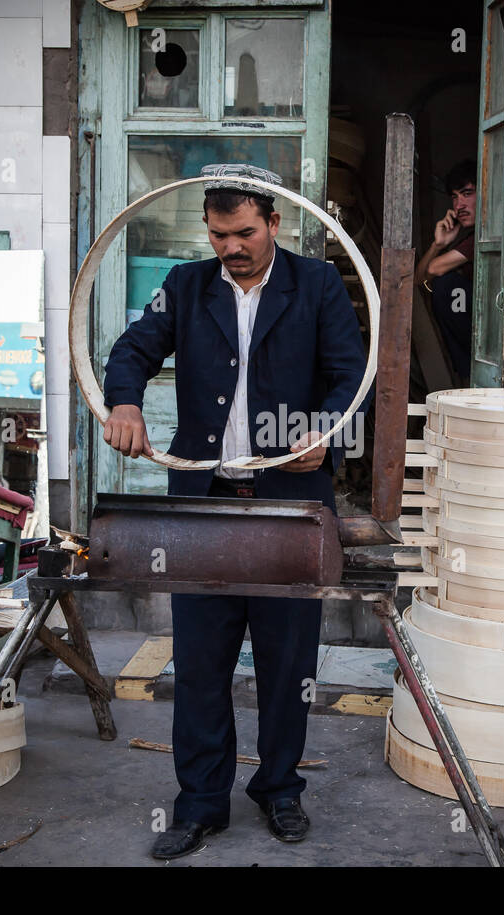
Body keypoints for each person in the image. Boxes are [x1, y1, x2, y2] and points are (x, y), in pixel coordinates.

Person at [101, 163, 368, 860]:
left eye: (245, 231)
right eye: (219, 234)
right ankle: (199, 803)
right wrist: (124, 400)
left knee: (287, 661)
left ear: (275, 223)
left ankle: (280, 790)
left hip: (289, 506)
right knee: (199, 661)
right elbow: (131, 350)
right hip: (205, 510)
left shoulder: (315, 285)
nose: (232, 247)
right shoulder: (186, 287)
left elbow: (352, 378)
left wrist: (328, 432)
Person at [414, 159, 477, 381]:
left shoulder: (484, 235)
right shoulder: (469, 238)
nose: (459, 205)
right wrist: (438, 244)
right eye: (454, 197)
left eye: (467, 194)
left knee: (446, 284)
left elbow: (433, 269)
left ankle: (470, 369)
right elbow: (419, 279)